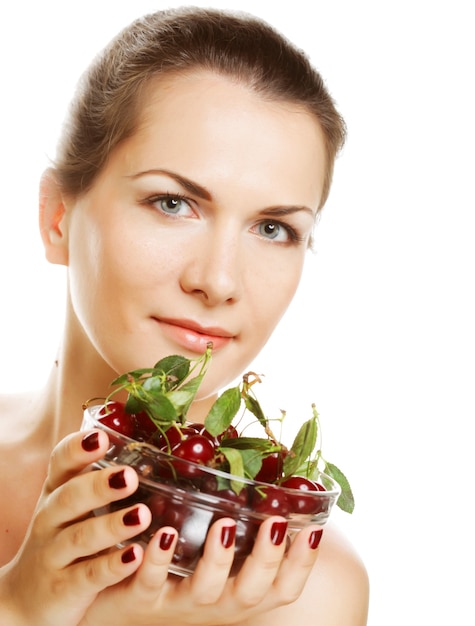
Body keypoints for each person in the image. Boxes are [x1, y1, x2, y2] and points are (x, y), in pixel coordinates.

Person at [0, 6, 369, 625]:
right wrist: (17, 607)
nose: (218, 281)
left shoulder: (296, 589)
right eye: (172, 202)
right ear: (57, 216)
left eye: (274, 228)